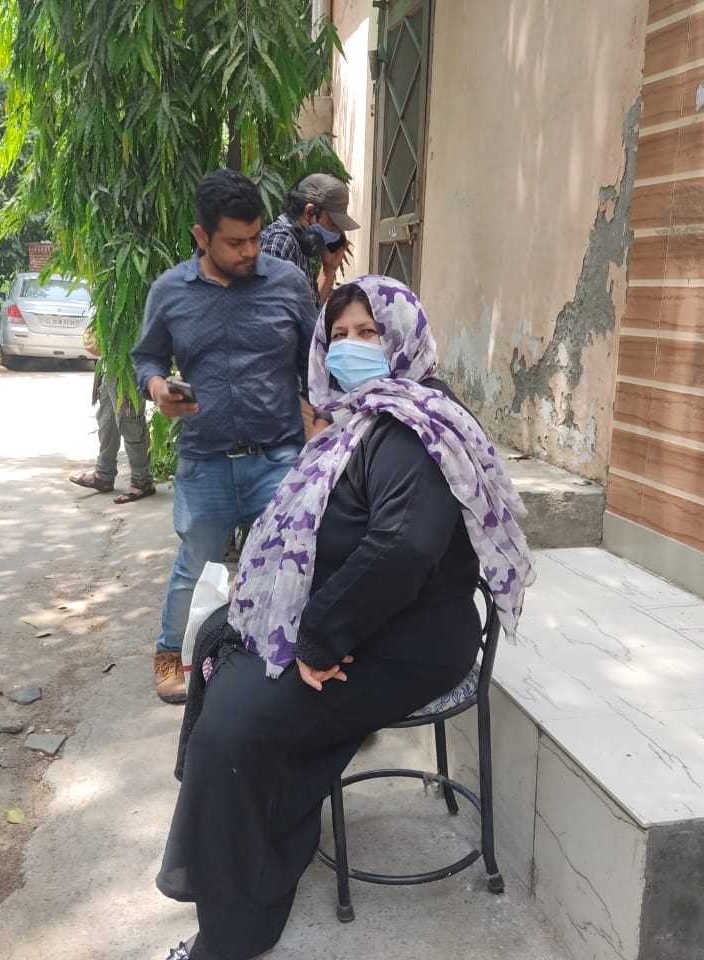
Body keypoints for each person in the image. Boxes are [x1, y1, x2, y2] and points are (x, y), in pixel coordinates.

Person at [155, 275, 534, 960]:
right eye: (339, 335)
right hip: (364, 618)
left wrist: (317, 638)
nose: (351, 347)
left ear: (404, 337)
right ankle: (254, 839)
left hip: (403, 637)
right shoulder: (360, 420)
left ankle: (232, 934)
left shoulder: (415, 426)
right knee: (218, 644)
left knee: (231, 733)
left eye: (369, 332)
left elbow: (403, 548)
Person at [132, 168, 318, 704]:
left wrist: (322, 426)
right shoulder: (170, 291)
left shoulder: (288, 284)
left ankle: (292, 660)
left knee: (291, 565)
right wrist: (157, 387)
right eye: (235, 242)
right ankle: (171, 654)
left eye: (255, 237)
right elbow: (146, 357)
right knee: (197, 564)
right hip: (205, 460)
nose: (250, 251)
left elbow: (315, 361)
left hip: (278, 457)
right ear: (201, 236)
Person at [71, 325, 155, 503]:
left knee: (130, 422)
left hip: (129, 364)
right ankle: (104, 475)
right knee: (106, 420)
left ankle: (142, 481)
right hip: (109, 365)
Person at [259, 172, 359, 310]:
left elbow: (310, 312)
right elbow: (266, 313)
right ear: (309, 212)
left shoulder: (299, 245)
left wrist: (329, 270)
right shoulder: (281, 243)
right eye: (333, 225)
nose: (336, 233)